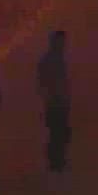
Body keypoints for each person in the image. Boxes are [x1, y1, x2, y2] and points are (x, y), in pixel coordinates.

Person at [37, 30, 72, 173]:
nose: (62, 44)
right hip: (54, 100)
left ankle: (57, 161)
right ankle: (55, 162)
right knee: (57, 131)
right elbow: (43, 80)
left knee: (60, 131)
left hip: (59, 100)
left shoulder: (58, 59)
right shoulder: (49, 59)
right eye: (60, 41)